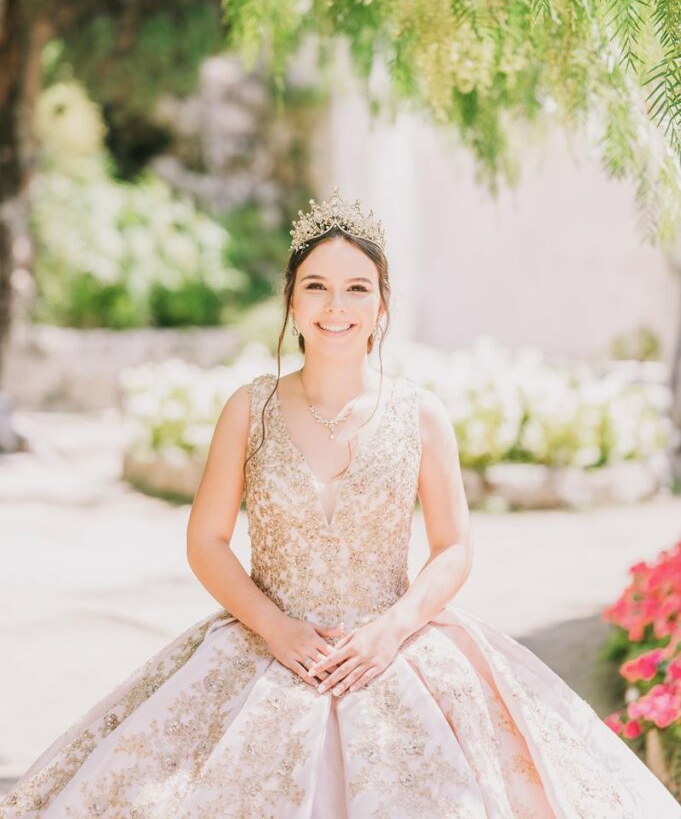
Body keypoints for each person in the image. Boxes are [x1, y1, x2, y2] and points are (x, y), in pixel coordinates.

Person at [2, 187, 679, 819]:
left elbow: (454, 548)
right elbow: (205, 540)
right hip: (264, 640)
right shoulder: (249, 408)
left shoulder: (422, 415)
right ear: (292, 304)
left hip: (391, 642)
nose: (336, 306)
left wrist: (390, 632)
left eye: (357, 288)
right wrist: (274, 626)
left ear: (381, 305)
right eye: (316, 288)